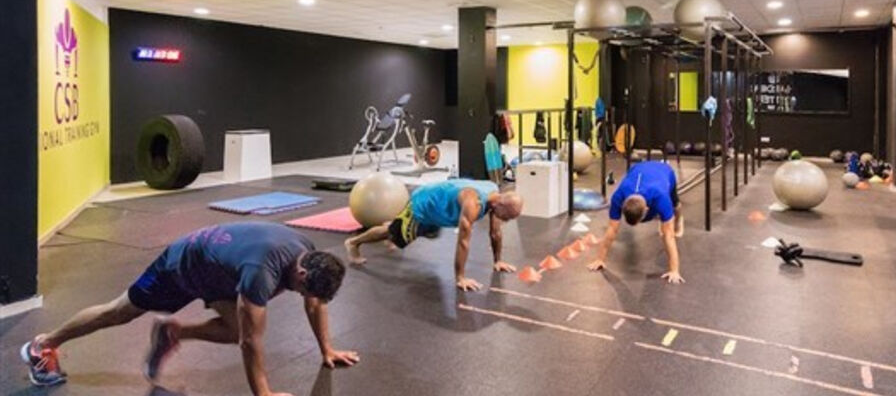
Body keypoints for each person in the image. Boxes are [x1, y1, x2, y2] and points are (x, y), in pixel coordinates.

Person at [21, 222, 356, 395]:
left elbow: (314, 303)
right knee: (119, 311)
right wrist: (264, 393)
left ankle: (174, 331)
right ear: (300, 273)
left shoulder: (309, 255)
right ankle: (44, 344)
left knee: (238, 327)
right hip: (181, 265)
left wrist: (326, 349)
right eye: (301, 291)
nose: (303, 297)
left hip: (219, 272)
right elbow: (251, 343)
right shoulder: (261, 272)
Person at [345, 179, 523, 291]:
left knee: (429, 234)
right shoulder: (473, 203)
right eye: (506, 217)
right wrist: (460, 277)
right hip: (423, 205)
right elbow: (463, 242)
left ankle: (396, 225)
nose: (505, 221)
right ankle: (354, 242)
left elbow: (495, 232)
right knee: (394, 235)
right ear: (500, 205)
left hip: (439, 210)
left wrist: (497, 260)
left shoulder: (495, 195)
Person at [586, 161, 684, 284]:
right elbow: (612, 229)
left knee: (674, 209)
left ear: (647, 210)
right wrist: (599, 259)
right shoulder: (618, 197)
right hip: (637, 168)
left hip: (665, 171)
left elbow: (669, 235)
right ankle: (665, 220)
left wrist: (674, 270)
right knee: (664, 224)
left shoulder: (661, 197)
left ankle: (678, 219)